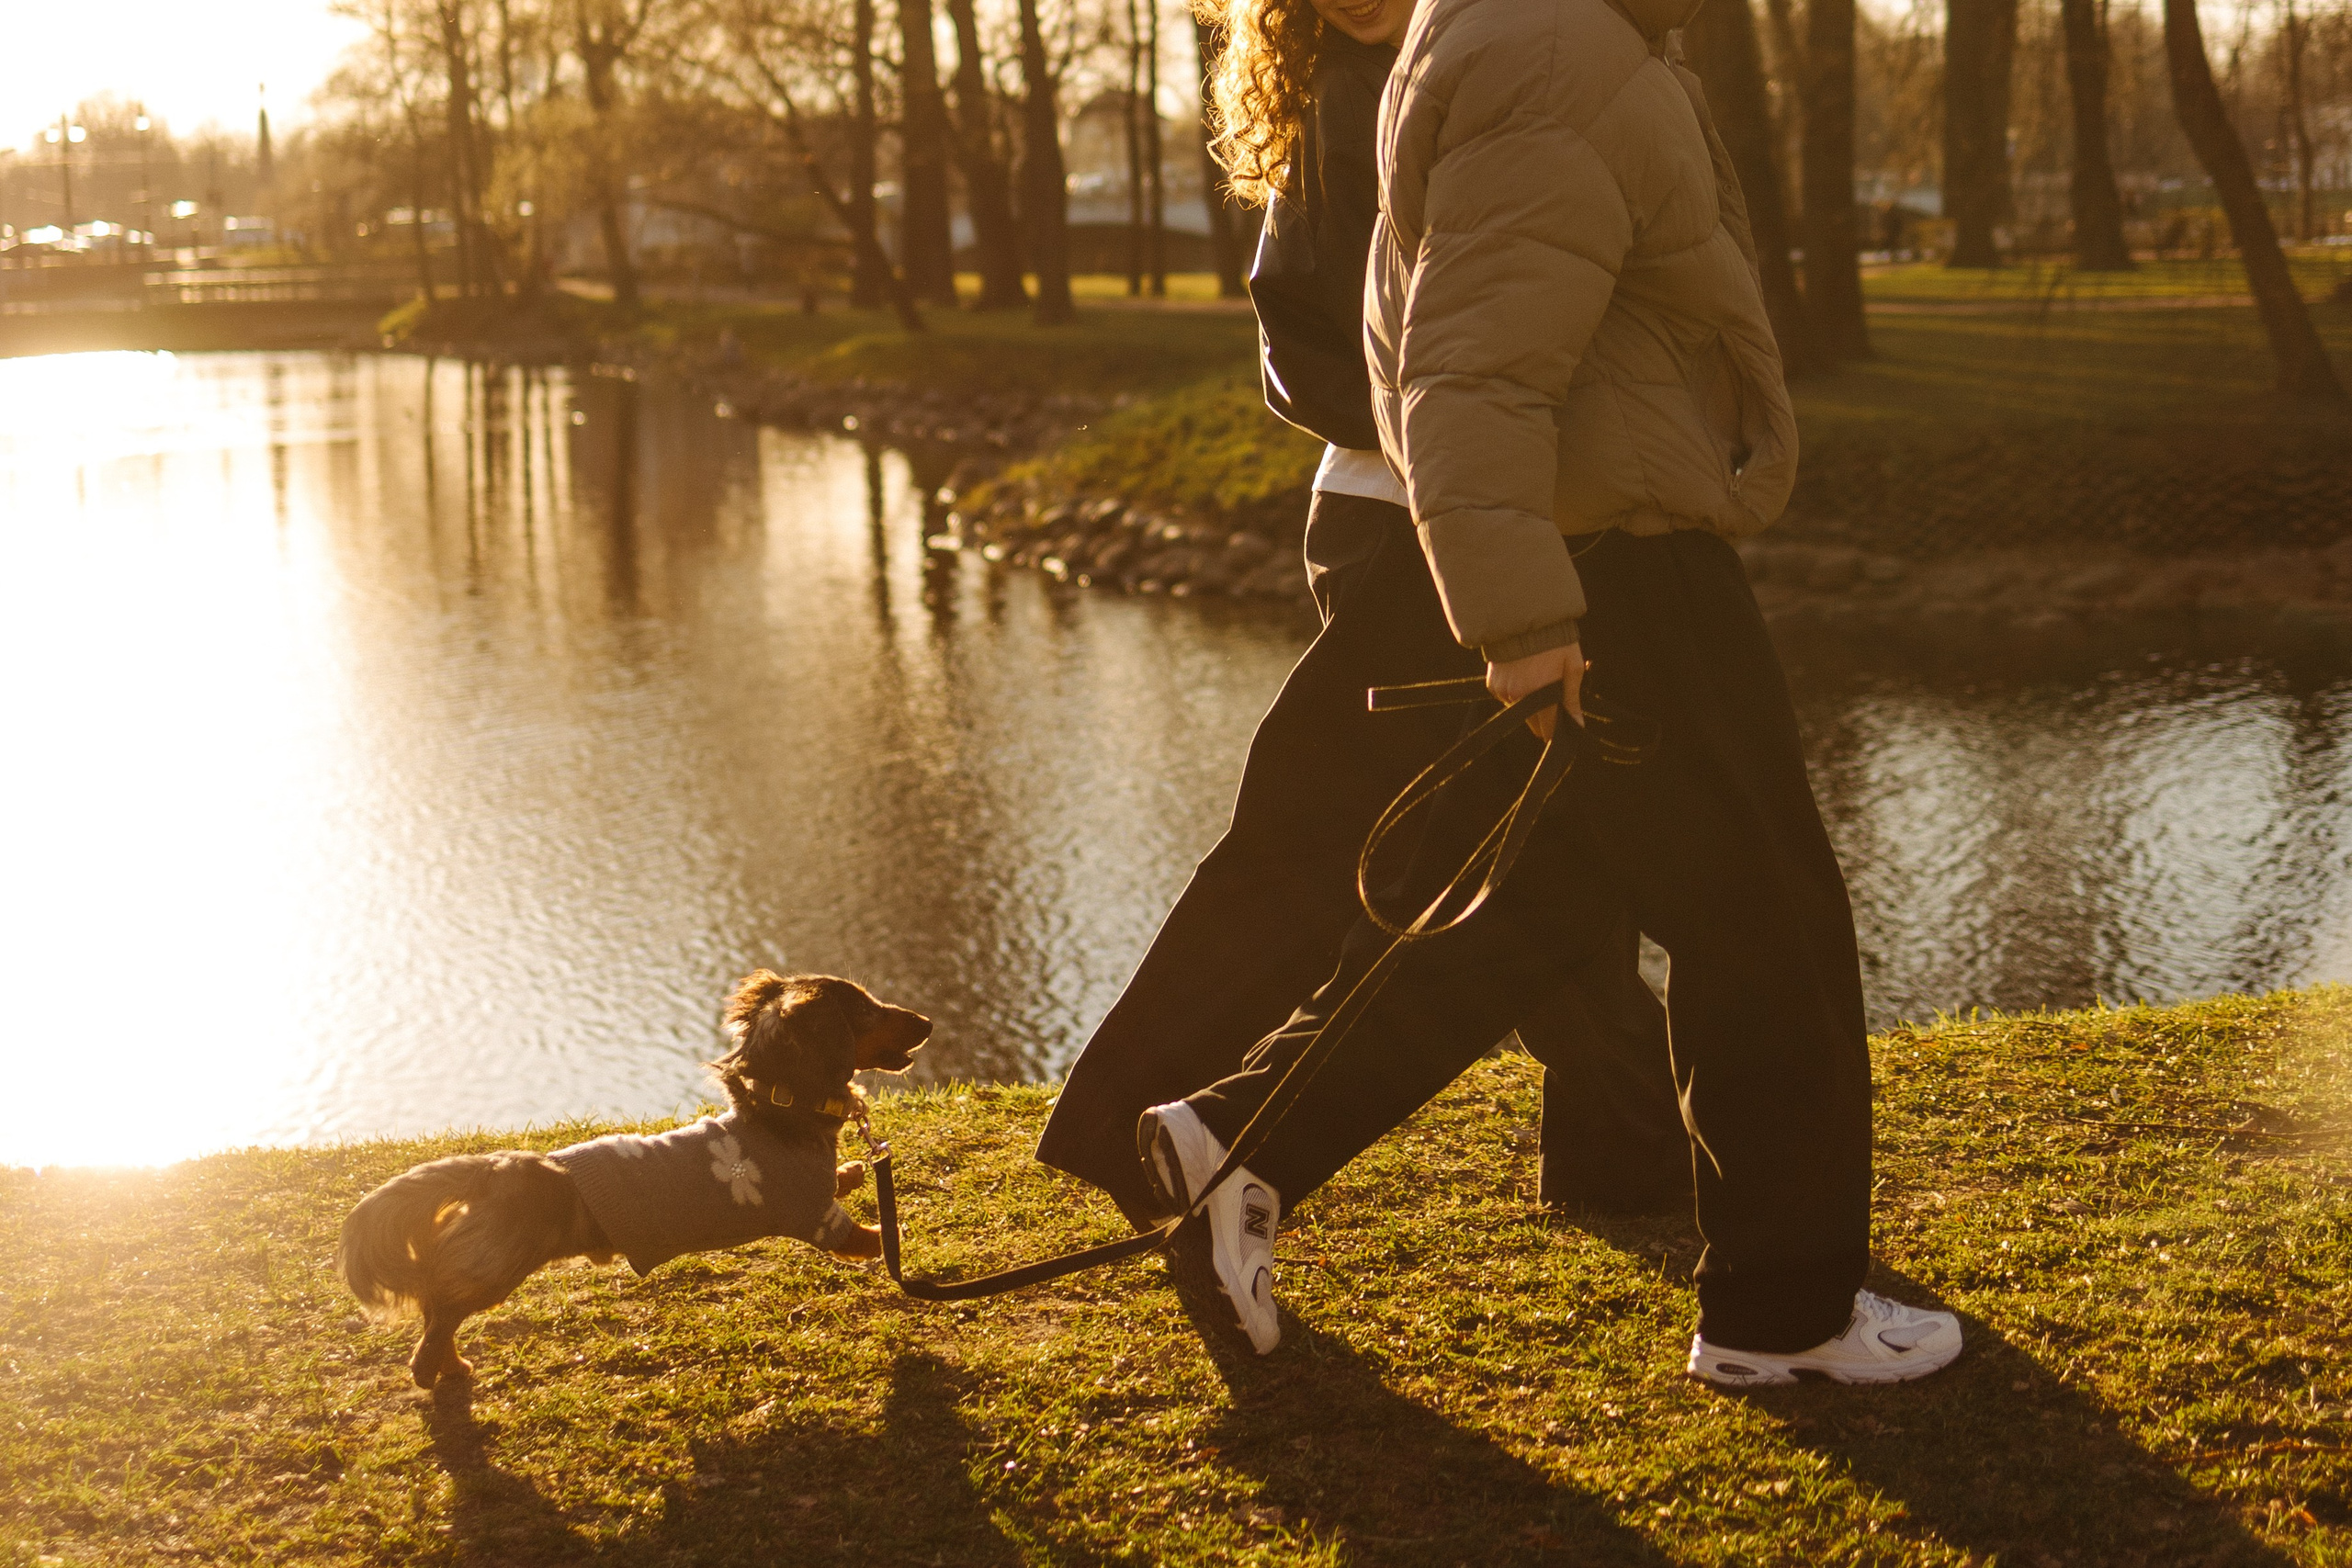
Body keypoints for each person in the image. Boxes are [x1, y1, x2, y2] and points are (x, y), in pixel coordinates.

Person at [1123, 0, 1966, 1386]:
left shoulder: (1534, 34)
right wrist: (1519, 618)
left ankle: (1241, 1137)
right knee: (1773, 921)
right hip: (1620, 560)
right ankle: (1783, 1317)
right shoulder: (1548, 44)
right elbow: (1467, 365)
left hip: (1610, 541)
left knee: (1539, 904)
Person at [1034, 0, 1692, 1236]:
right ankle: (1136, 1122)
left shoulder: (1458, 69)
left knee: (1536, 844)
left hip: (1451, 518)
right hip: (1424, 528)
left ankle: (1629, 1146)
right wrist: (1448, 442)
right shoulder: (1369, 94)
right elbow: (1303, 344)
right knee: (1327, 841)